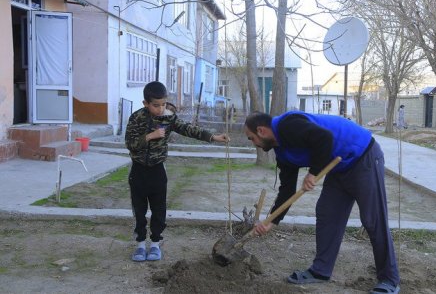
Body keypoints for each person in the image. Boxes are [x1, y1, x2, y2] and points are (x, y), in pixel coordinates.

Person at [244, 111, 400, 294]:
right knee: (327, 214)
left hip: (362, 156)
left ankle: (389, 279)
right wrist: (271, 221)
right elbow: (287, 190)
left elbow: (324, 138)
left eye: (251, 138)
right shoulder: (282, 151)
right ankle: (320, 271)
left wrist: (313, 172)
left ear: (261, 131)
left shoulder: (287, 126)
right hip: (338, 167)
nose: (253, 144)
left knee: (373, 220)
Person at [125, 81, 228, 262]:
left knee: (158, 210)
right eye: (156, 105)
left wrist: (212, 137)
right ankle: (140, 244)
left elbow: (189, 129)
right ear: (145, 104)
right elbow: (130, 144)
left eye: (163, 104)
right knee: (139, 210)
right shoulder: (136, 118)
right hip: (138, 171)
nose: (160, 109)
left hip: (157, 171)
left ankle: (155, 243)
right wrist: (150, 136)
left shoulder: (169, 119)